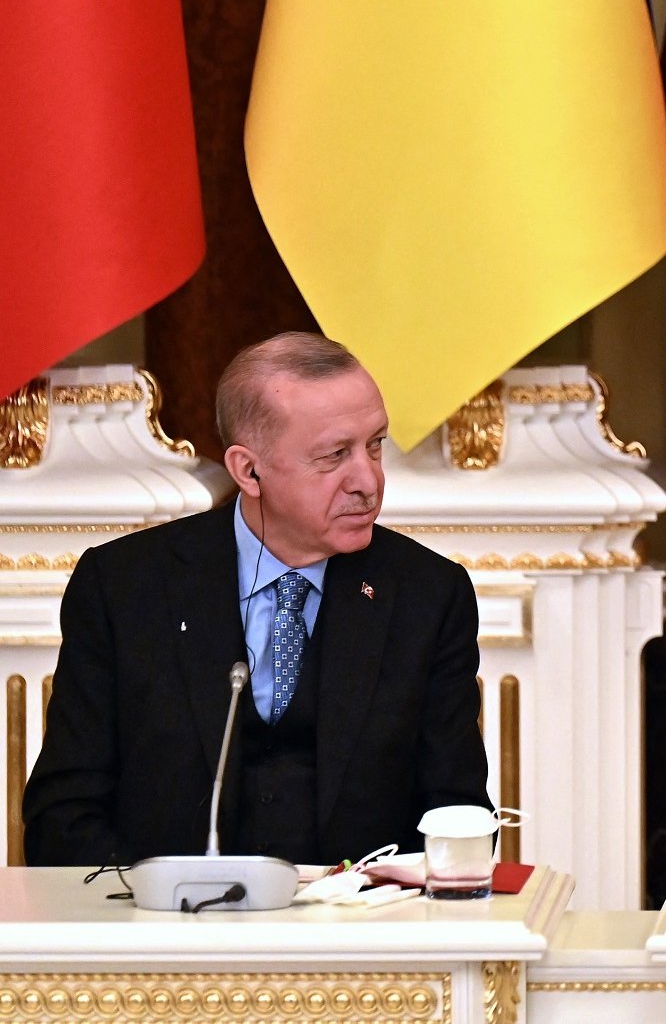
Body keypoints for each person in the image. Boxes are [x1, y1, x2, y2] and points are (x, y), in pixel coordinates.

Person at [24, 332, 489, 867]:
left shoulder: (428, 595)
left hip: (359, 934)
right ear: (249, 470)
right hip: (167, 930)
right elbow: (62, 818)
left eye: (375, 444)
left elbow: (459, 817)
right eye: (335, 454)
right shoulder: (125, 586)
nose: (368, 479)